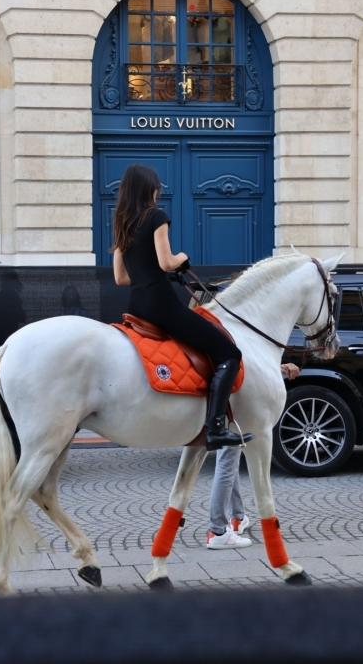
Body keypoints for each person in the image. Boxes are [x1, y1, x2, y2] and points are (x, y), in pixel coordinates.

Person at [112, 163, 253, 451]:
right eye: (156, 188)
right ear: (149, 189)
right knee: (229, 352)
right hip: (161, 306)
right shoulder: (156, 216)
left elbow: (120, 278)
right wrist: (182, 258)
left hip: (137, 307)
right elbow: (166, 262)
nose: (158, 193)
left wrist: (151, 270)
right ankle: (214, 428)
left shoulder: (122, 223)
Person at [206, 362, 301, 549]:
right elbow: (243, 356)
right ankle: (218, 530)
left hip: (220, 394)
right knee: (227, 456)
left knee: (228, 456)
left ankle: (238, 517)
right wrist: (275, 367)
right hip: (235, 397)